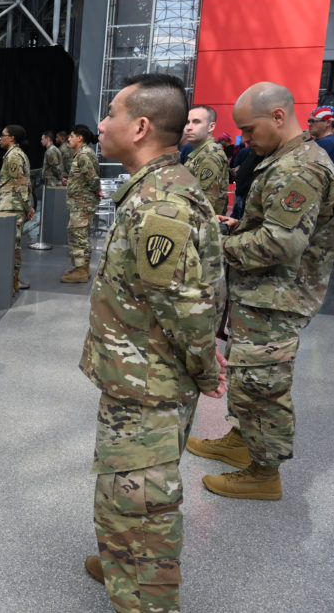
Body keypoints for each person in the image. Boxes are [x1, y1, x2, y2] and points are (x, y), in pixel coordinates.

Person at [80, 73, 226, 613]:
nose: (100, 124)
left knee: (142, 499)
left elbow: (186, 309)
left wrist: (208, 368)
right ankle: (123, 560)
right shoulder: (151, 190)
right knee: (123, 486)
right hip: (136, 375)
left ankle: (145, 595)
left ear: (140, 127)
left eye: (111, 112)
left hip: (150, 384)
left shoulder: (160, 204)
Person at [186, 82, 334, 498]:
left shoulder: (300, 169)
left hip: (278, 296)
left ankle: (264, 472)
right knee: (248, 374)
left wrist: (218, 244)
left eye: (249, 130)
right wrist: (243, 227)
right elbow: (278, 228)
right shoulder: (285, 158)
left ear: (278, 116)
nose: (245, 139)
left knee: (265, 384)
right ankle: (243, 441)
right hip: (262, 294)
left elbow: (281, 244)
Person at [0, 124, 35, 293]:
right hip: (13, 206)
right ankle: (12, 281)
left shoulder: (13, 157)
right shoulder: (17, 155)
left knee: (12, 247)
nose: (0, 138)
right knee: (13, 246)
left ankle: (12, 283)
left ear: (12, 138)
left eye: (3, 135)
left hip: (12, 207)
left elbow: (20, 185)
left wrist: (28, 207)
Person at [60, 124, 101, 283]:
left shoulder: (84, 155)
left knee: (79, 236)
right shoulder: (82, 154)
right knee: (79, 235)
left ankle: (82, 271)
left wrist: (96, 191)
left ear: (80, 138)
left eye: (71, 136)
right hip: (80, 202)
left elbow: (92, 178)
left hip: (82, 203)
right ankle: (81, 267)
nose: (69, 139)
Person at [183, 104, 230, 215]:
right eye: (187, 122)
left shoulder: (209, 156)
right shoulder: (200, 153)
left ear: (211, 127)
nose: (189, 127)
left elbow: (204, 204)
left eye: (196, 122)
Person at [306, 105, 334, 169]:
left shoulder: (328, 142)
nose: (309, 124)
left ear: (328, 122)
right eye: (309, 121)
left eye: (313, 121)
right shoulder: (328, 140)